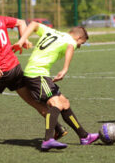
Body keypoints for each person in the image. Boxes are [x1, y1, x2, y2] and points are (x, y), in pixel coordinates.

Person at [0, 0, 67, 149]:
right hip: (15, 68)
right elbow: (21, 22)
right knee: (33, 101)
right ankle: (58, 128)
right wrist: (23, 39)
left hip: (1, 72)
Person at [12, 21, 99, 151]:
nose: (79, 46)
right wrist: (65, 69)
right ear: (79, 37)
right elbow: (70, 47)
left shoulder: (51, 31)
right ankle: (48, 140)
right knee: (56, 104)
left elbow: (34, 24)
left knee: (64, 102)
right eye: (81, 43)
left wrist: (22, 40)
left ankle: (84, 136)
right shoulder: (70, 40)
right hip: (37, 75)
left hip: (37, 73)